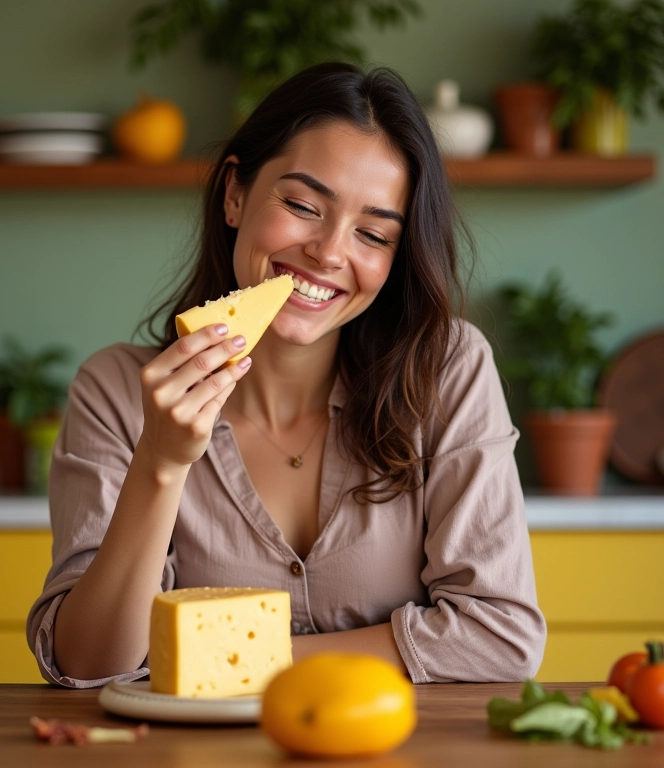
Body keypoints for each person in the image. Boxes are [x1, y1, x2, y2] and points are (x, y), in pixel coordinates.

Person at [27, 62, 546, 688]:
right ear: (235, 193)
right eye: (302, 205)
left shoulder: (447, 370)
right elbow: (87, 664)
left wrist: (212, 660)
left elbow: (500, 636)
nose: (329, 253)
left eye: (374, 234)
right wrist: (161, 464)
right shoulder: (115, 391)